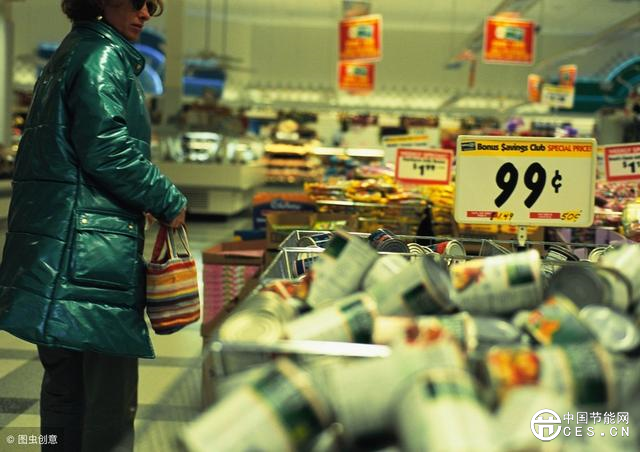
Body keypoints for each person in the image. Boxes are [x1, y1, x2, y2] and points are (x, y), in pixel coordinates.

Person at [0, 1, 187, 450]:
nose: (145, 13)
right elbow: (105, 147)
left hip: (56, 248)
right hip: (91, 255)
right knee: (108, 401)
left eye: (151, 4)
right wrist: (166, 199)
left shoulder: (71, 51)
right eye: (135, 1)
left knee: (64, 391)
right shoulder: (102, 56)